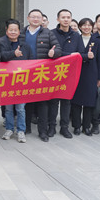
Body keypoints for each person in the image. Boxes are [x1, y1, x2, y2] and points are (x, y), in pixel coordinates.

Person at [21, 9, 61, 142]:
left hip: (41, 74)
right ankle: (26, 127)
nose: (36, 19)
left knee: (43, 103)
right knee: (27, 103)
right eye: (33, 17)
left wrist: (53, 53)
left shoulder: (48, 33)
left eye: (38, 17)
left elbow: (58, 49)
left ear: (41, 19)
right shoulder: (22, 33)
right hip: (25, 73)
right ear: (28, 18)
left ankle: (43, 131)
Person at [49, 9, 84, 139]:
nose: (66, 19)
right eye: (63, 17)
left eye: (68, 17)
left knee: (66, 101)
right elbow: (51, 53)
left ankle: (64, 128)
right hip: (54, 73)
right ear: (58, 19)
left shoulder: (76, 35)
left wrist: (73, 55)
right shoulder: (51, 33)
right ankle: (51, 127)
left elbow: (80, 53)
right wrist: (69, 55)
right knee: (53, 101)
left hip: (70, 73)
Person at [0, 19, 30, 143]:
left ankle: (21, 130)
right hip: (6, 82)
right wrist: (14, 54)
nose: (13, 32)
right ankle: (9, 129)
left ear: (19, 31)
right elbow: (1, 56)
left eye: (15, 30)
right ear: (6, 31)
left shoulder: (25, 46)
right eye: (10, 30)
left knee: (21, 108)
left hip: (21, 82)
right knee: (8, 109)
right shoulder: (1, 43)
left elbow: (31, 62)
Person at [70, 18, 98, 136]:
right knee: (76, 102)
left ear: (92, 26)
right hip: (77, 73)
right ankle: (76, 126)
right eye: (84, 25)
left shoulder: (96, 39)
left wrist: (99, 77)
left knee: (89, 102)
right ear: (80, 27)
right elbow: (72, 54)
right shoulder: (75, 38)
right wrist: (85, 56)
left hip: (91, 73)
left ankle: (86, 126)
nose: (86, 27)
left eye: (89, 25)